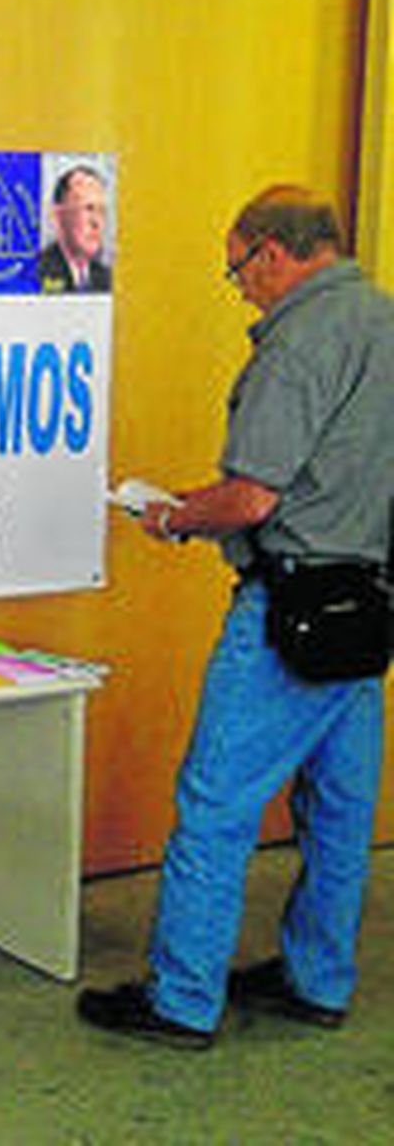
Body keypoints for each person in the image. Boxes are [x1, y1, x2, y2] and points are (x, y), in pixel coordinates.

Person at [77, 185, 394, 1049]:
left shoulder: (298, 342)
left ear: (273, 253)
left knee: (215, 803)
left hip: (289, 612)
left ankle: (181, 999)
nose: (241, 288)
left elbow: (253, 498)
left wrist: (174, 515)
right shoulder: (384, 321)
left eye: (238, 270)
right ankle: (318, 980)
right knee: (340, 811)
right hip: (367, 611)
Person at [39, 165, 112, 293]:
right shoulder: (37, 274)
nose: (97, 222)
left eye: (102, 211)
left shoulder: (108, 279)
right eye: (88, 208)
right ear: (58, 216)